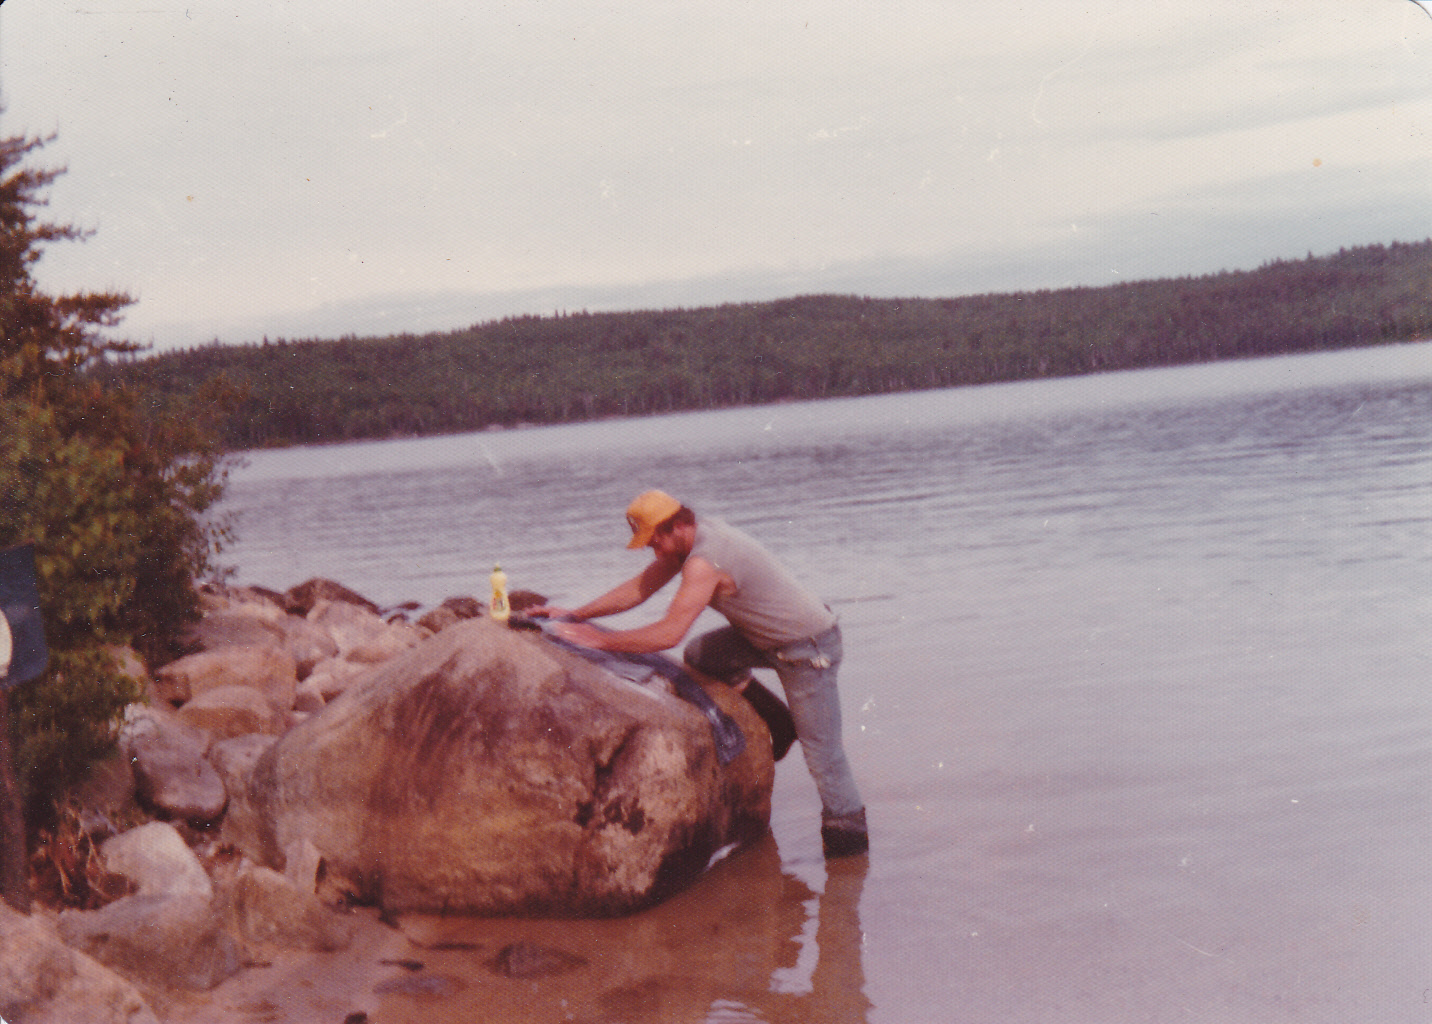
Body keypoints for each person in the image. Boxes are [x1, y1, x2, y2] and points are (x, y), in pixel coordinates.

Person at [531, 490, 868, 857]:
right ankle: (779, 721)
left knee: (823, 755)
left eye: (655, 541)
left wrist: (600, 641)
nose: (654, 552)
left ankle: (848, 844)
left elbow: (669, 633)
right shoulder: (693, 538)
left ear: (676, 526)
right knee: (701, 655)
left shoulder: (705, 561)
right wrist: (575, 615)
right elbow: (640, 588)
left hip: (807, 649)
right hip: (764, 640)